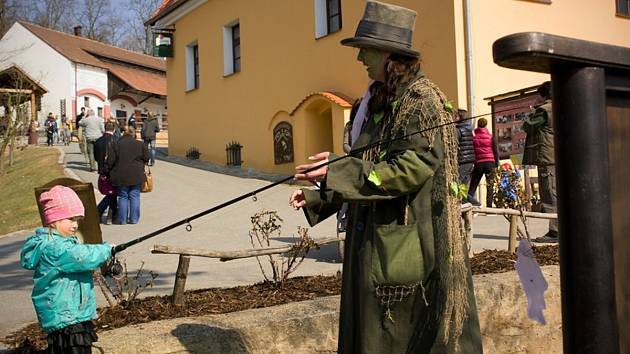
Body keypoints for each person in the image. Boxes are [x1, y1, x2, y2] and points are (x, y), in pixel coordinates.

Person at [289, 2, 482, 352]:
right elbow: (366, 164)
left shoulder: (423, 102)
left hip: (408, 246)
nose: (359, 58)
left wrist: (338, 171)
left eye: (365, 50)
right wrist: (323, 192)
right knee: (373, 335)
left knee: (399, 336)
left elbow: (409, 170)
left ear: (390, 55)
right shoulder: (380, 100)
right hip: (376, 241)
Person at [20, 185, 114, 353]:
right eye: (71, 219)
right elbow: (82, 257)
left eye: (77, 219)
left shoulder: (62, 244)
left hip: (71, 314)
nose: (75, 224)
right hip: (67, 317)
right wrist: (107, 249)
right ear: (54, 220)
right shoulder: (54, 248)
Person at [524, 81, 558, 243]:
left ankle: (555, 232)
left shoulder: (544, 110)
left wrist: (533, 110)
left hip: (548, 157)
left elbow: (528, 126)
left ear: (543, 95)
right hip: (556, 156)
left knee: (550, 193)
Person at [107, 126, 149, 225]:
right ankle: (134, 219)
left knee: (123, 196)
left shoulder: (116, 144)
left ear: (123, 133)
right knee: (134, 196)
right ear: (133, 134)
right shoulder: (140, 144)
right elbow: (146, 158)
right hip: (136, 174)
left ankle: (123, 220)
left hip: (120, 175)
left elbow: (110, 161)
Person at [467, 117, 499, 207]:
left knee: (473, 185)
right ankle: (489, 207)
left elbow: (472, 151)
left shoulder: (474, 137)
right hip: (490, 163)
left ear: (477, 124)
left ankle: (471, 203)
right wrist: (496, 164)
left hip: (478, 163)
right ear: (486, 125)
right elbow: (495, 151)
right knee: (490, 185)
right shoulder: (491, 137)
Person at [94, 121, 118, 224]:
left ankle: (109, 214)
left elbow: (95, 157)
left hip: (102, 170)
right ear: (114, 129)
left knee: (111, 193)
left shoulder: (98, 141)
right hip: (113, 170)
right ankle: (105, 214)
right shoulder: (116, 140)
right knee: (112, 193)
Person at [456, 109, 475, 186]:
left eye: (455, 116)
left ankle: (472, 199)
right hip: (470, 161)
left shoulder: (459, 130)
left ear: (459, 117)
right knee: (464, 188)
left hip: (463, 160)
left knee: (459, 186)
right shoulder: (469, 129)